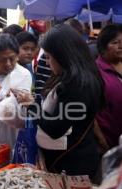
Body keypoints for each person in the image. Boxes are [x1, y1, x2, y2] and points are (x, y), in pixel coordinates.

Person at [14, 24, 105, 178]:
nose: (47, 62)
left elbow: (55, 128)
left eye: (49, 56)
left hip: (71, 163)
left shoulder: (76, 85)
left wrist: (31, 106)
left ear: (63, 54)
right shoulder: (83, 76)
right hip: (76, 155)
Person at [95, 24, 122, 148]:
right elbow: (91, 113)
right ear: (103, 46)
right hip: (108, 143)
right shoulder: (95, 71)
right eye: (115, 42)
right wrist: (102, 141)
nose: (121, 46)